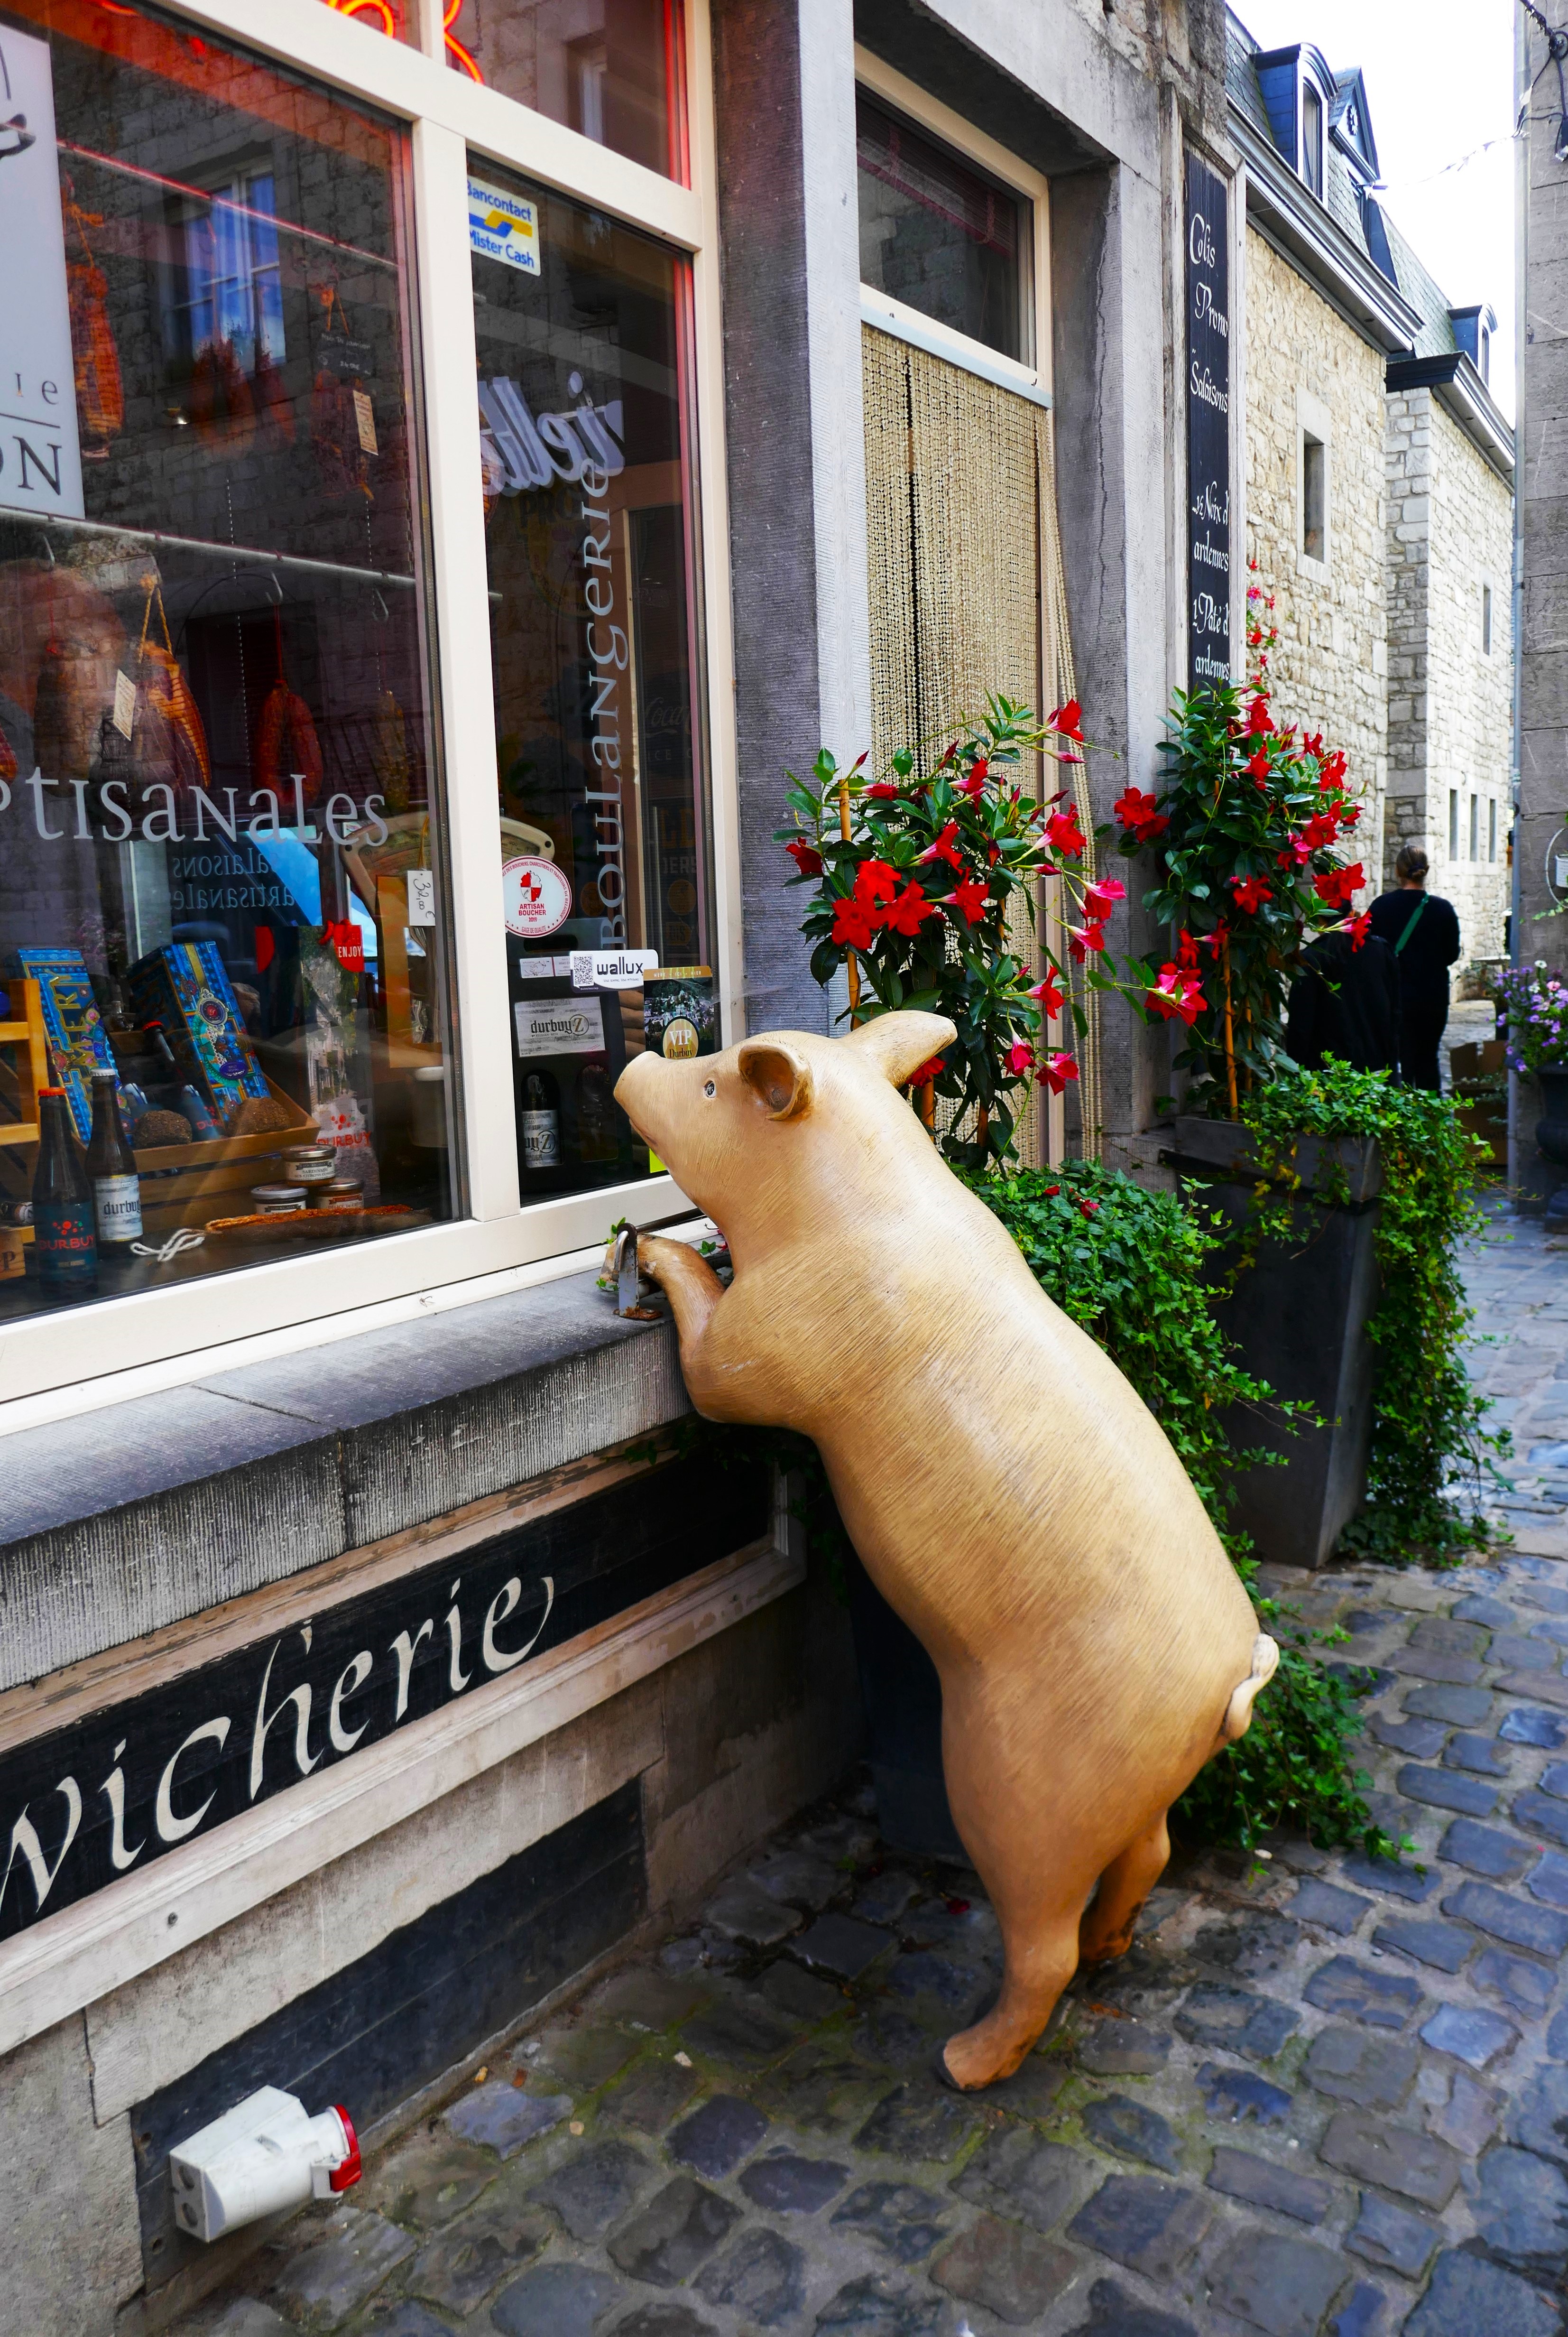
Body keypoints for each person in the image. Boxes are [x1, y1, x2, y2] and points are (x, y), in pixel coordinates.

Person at [1366, 844, 1462, 1091]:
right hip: (1433, 996)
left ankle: (1402, 1120)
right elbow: (1451, 955)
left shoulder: (1380, 908)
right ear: (1426, 870)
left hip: (1394, 998)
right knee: (1429, 1058)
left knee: (1399, 1062)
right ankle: (1431, 1119)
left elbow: (1370, 953)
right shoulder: (1443, 909)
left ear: (1398, 871)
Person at [1284, 927, 1401, 1073]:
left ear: (1319, 919)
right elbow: (1396, 1011)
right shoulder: (1380, 949)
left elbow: (1300, 1026)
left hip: (1327, 1072)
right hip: (1376, 1066)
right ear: (1351, 914)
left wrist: (1295, 1071)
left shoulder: (1311, 958)